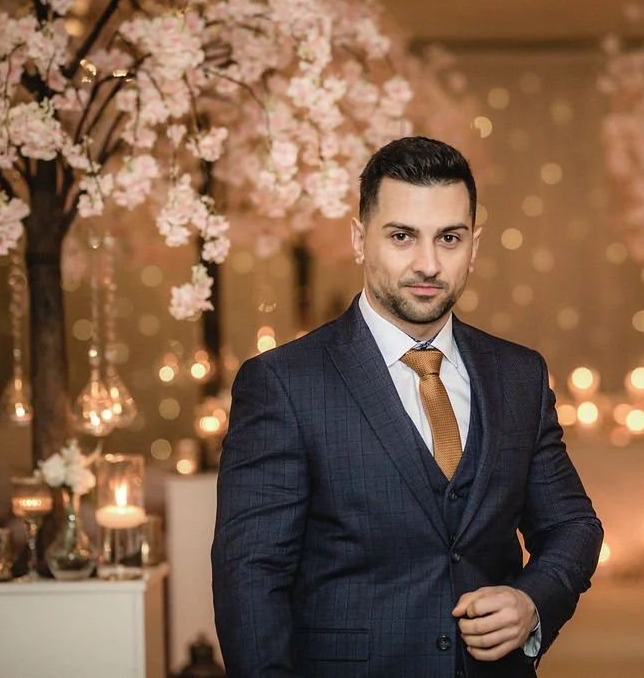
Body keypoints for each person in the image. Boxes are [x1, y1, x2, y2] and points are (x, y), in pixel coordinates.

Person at [212, 136, 603, 677]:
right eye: (402, 236)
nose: (428, 263)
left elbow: (573, 525)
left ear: (475, 245)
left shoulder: (520, 375)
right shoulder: (282, 382)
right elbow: (251, 578)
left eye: (449, 238)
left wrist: (532, 600)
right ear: (359, 239)